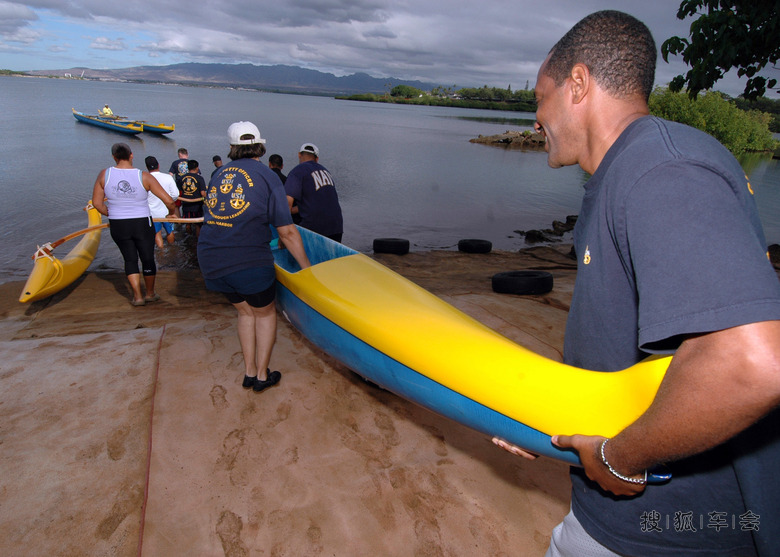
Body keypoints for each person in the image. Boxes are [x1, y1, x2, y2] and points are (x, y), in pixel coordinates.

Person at [492, 10, 780, 557]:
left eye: (540, 96)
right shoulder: (632, 171)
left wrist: (619, 458)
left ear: (577, 84)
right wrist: (541, 416)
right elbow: (634, 359)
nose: (535, 119)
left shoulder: (659, 172)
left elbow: (755, 360)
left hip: (661, 532)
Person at [197, 121, 311, 392]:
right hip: (247, 260)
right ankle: (261, 376)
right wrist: (308, 271)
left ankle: (248, 372)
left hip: (211, 260)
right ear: (260, 146)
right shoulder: (267, 175)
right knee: (264, 314)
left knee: (245, 312)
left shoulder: (219, 173)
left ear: (232, 148)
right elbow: (287, 232)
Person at [91, 143, 176, 306]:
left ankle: (137, 297)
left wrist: (112, 213)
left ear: (114, 157)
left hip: (118, 224)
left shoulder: (104, 174)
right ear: (131, 155)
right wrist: (171, 212)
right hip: (142, 223)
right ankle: (150, 294)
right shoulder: (143, 176)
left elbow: (97, 203)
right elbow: (168, 200)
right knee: (147, 258)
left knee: (129, 259)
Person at [284, 143, 343, 241]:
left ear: (299, 155)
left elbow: (286, 204)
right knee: (332, 256)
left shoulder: (297, 172)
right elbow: (316, 203)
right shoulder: (326, 171)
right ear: (317, 159)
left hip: (314, 229)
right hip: (336, 227)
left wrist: (284, 234)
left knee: (305, 255)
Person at [145, 155, 180, 248]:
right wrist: (171, 201)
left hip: (153, 213)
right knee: (170, 231)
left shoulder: (145, 179)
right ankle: (172, 248)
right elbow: (175, 194)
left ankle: (161, 252)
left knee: (157, 233)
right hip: (168, 211)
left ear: (146, 167)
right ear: (158, 165)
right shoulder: (167, 177)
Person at [179, 159, 207, 237]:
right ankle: (197, 241)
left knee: (188, 223)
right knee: (198, 225)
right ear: (197, 168)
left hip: (185, 205)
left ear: (188, 168)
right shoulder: (199, 178)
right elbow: (203, 193)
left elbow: (179, 192)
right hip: (196, 206)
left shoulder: (182, 178)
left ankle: (188, 239)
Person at [270, 153, 300, 224]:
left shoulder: (266, 179)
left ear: (269, 164)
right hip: (288, 218)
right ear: (282, 166)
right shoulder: (287, 180)